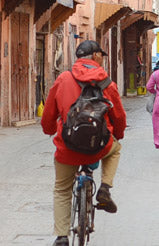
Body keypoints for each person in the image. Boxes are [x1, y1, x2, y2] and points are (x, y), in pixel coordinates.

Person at [41, 40, 127, 246]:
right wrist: (118, 135)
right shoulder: (106, 83)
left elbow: (48, 117)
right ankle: (105, 188)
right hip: (99, 147)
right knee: (115, 149)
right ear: (96, 56)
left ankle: (62, 236)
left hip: (67, 147)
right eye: (101, 55)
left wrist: (51, 130)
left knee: (62, 189)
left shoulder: (63, 79)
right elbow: (120, 117)